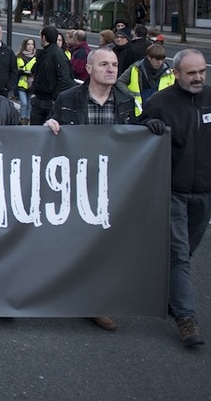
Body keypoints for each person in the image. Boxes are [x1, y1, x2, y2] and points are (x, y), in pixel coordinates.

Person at [137, 49, 211, 347]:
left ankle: (172, 295)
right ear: (176, 74)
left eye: (202, 71)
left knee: (188, 251)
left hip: (205, 192)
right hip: (172, 191)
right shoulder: (160, 102)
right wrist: (146, 125)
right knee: (179, 253)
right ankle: (186, 318)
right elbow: (132, 134)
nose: (198, 77)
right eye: (191, 73)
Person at [43, 47, 137, 332]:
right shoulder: (68, 98)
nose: (111, 69)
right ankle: (65, 293)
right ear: (90, 69)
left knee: (104, 245)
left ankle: (98, 304)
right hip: (76, 183)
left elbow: (132, 138)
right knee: (72, 242)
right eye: (104, 64)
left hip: (112, 184)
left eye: (115, 64)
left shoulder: (125, 101)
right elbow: (52, 129)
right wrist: (50, 125)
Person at [30, 27, 74, 125]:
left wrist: (55, 99)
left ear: (44, 38)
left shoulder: (56, 54)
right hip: (39, 99)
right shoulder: (45, 53)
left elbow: (65, 79)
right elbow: (36, 72)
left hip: (49, 101)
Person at [116, 43, 174, 116]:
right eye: (157, 59)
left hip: (160, 113)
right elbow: (120, 82)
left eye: (162, 59)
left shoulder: (169, 73)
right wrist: (130, 95)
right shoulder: (136, 68)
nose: (160, 62)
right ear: (149, 57)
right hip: (138, 111)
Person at [15, 38, 37, 124]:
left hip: (32, 84)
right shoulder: (19, 56)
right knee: (24, 103)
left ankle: (27, 119)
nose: (30, 46)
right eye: (28, 44)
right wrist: (23, 71)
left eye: (32, 44)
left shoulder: (36, 57)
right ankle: (22, 119)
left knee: (30, 104)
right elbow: (16, 70)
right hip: (22, 83)